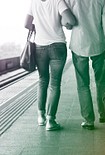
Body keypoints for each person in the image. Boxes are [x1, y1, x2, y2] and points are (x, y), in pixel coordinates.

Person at [24, 0, 77, 131]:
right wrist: (62, 23)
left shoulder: (34, 2)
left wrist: (39, 27)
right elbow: (71, 20)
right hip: (57, 46)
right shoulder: (58, 1)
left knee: (42, 80)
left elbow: (26, 24)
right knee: (54, 83)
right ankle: (50, 120)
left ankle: (40, 117)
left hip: (39, 47)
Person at [65, 0, 105, 130]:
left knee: (83, 84)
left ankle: (88, 120)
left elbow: (67, 22)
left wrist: (69, 25)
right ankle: (104, 114)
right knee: (101, 81)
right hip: (98, 43)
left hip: (79, 44)